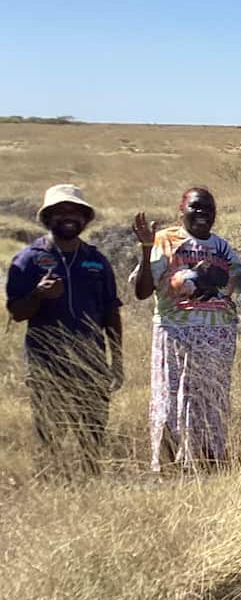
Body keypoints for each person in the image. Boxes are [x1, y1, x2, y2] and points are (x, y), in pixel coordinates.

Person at [131, 187, 241, 471]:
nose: (202, 213)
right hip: (176, 334)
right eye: (196, 207)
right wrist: (145, 248)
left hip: (216, 340)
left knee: (211, 404)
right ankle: (170, 467)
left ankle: (209, 464)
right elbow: (141, 291)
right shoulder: (165, 240)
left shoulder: (222, 247)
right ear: (182, 209)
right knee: (171, 402)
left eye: (208, 209)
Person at [5, 184, 123, 473]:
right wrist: (37, 295)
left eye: (74, 211)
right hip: (47, 363)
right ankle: (54, 486)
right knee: (51, 435)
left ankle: (92, 484)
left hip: (91, 361)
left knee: (93, 435)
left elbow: (111, 312)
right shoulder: (28, 260)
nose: (68, 217)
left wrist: (117, 361)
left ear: (84, 218)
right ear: (47, 218)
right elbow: (16, 313)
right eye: (59, 212)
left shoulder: (97, 261)